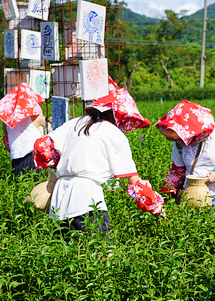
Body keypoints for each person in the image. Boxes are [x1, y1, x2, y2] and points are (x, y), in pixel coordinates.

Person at [32, 82, 164, 236]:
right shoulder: (114, 134)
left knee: (67, 253)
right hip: (86, 199)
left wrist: (61, 166)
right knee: (103, 251)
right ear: (116, 114)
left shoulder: (74, 123)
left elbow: (42, 146)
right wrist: (155, 206)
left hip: (59, 200)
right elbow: (134, 182)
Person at [156, 100, 215, 214]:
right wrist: (164, 194)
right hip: (191, 197)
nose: (177, 140)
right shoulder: (179, 142)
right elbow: (177, 171)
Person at [0, 82, 48, 175]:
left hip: (16, 160)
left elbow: (6, 135)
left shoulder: (7, 120)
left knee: (19, 186)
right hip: (32, 159)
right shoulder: (35, 118)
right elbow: (51, 124)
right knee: (34, 186)